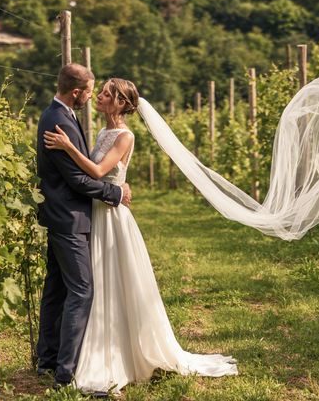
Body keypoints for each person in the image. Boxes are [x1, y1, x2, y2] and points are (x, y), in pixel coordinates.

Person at [44, 78, 238, 394]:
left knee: (114, 280)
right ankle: (96, 348)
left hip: (112, 216)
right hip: (98, 209)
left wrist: (67, 147)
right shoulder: (104, 132)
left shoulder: (124, 135)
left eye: (107, 94)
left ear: (121, 103)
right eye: (101, 91)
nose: (101, 97)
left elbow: (96, 171)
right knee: (98, 283)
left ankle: (121, 353)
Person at [36, 64, 132, 388]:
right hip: (70, 218)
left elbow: (91, 168)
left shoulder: (59, 116)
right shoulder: (59, 120)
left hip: (72, 215)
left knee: (57, 289)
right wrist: (115, 192)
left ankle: (47, 361)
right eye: (92, 92)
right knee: (82, 290)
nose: (94, 98)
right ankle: (65, 374)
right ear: (77, 92)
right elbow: (78, 179)